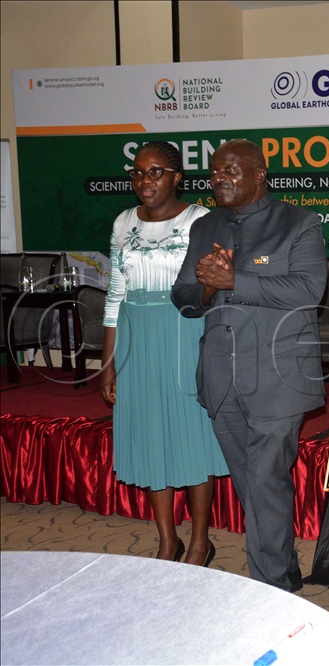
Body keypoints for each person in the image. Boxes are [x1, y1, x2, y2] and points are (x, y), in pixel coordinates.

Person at [171, 139, 327, 592]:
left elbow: (308, 289)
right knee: (253, 486)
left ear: (260, 174)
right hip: (221, 379)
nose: (219, 178)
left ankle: (269, 592)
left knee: (265, 484)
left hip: (278, 379)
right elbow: (182, 299)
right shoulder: (205, 227)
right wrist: (204, 288)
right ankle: (285, 572)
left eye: (231, 171)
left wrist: (235, 279)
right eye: (215, 172)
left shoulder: (299, 222)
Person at [100, 140, 228, 566]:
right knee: (152, 433)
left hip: (184, 331)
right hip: (137, 338)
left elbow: (213, 285)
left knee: (192, 436)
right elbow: (115, 294)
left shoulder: (200, 219)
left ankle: (198, 542)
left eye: (155, 172)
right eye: (137, 172)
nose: (144, 181)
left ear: (176, 177)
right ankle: (167, 540)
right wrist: (109, 363)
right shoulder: (122, 222)